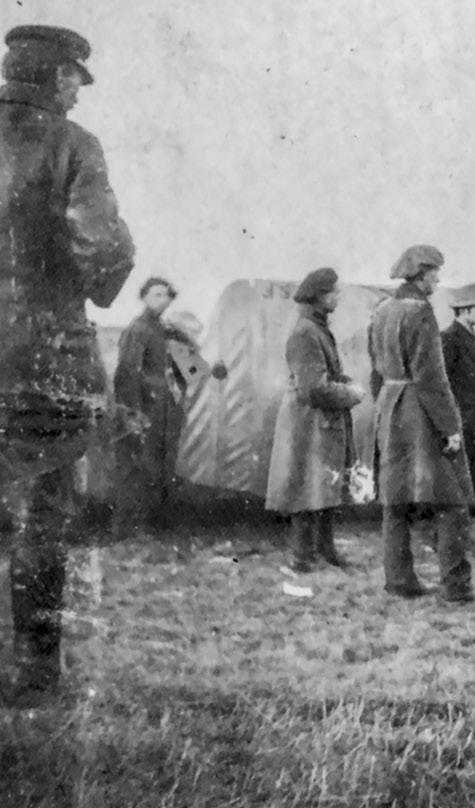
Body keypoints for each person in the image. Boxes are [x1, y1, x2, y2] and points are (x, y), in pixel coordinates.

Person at [0, 24, 135, 703]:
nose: (79, 93)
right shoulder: (72, 144)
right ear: (56, 76)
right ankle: (33, 670)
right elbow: (104, 255)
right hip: (39, 361)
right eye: (75, 79)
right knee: (39, 516)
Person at [367, 245, 474, 603]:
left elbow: (375, 371)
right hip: (419, 410)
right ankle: (456, 586)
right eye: (435, 274)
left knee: (395, 501)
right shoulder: (421, 312)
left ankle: (399, 580)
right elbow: (431, 377)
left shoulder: (382, 310)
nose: (438, 280)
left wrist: (385, 407)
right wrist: (450, 428)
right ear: (421, 275)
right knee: (453, 500)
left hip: (390, 407)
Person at [264, 268, 364, 573]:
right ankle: (302, 556)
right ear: (319, 296)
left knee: (322, 486)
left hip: (316, 421)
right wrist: (351, 394)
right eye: (334, 292)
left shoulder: (314, 327)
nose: (338, 297)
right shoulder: (306, 332)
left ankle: (323, 550)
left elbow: (322, 376)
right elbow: (313, 389)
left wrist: (344, 382)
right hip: (308, 423)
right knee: (306, 487)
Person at [111, 277, 194, 539]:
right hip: (144, 406)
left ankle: (151, 523)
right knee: (137, 466)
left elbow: (190, 365)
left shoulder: (164, 329)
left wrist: (182, 338)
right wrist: (132, 412)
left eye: (165, 295)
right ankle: (128, 527)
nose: (161, 300)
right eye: (155, 294)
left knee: (158, 466)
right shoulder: (138, 329)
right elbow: (127, 373)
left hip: (164, 408)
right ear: (144, 297)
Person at [441, 283, 475, 516]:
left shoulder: (472, 338)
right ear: (464, 310)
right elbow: (444, 380)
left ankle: (466, 507)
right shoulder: (449, 337)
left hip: (472, 413)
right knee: (457, 464)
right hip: (459, 413)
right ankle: (456, 510)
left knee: (470, 461)